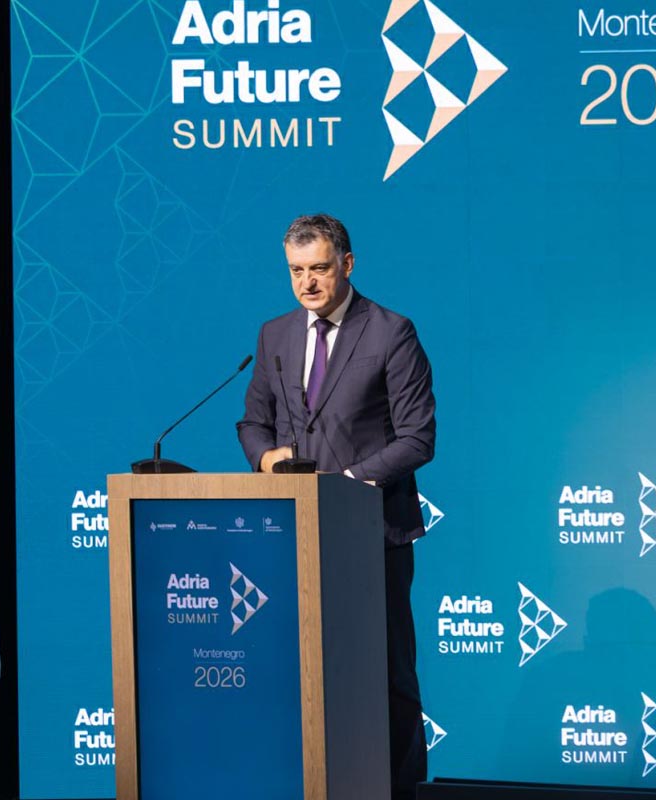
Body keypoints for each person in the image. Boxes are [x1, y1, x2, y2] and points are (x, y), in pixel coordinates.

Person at [237, 213, 436, 800]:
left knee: (386, 674)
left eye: (319, 268)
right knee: (300, 671)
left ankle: (401, 790)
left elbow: (418, 438)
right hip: (291, 533)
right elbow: (253, 423)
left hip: (372, 534)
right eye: (296, 271)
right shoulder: (274, 335)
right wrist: (265, 459)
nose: (308, 283)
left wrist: (346, 484)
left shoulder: (391, 332)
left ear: (347, 264)